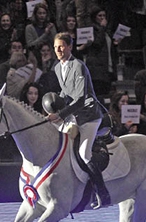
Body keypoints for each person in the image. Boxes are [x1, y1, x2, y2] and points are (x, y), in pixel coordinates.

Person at [46, 32, 110, 208]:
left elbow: (80, 99)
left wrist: (60, 115)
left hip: (89, 116)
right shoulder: (57, 67)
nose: (58, 50)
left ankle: (102, 193)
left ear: (69, 47)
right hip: (74, 115)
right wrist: (53, 107)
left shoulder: (79, 66)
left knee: (84, 154)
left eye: (61, 46)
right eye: (55, 47)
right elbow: (66, 93)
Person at [82, 6, 116, 96]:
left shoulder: (106, 31)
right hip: (97, 71)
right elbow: (97, 44)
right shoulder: (92, 30)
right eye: (99, 16)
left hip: (107, 69)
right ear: (94, 17)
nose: (102, 18)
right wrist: (102, 28)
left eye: (104, 16)